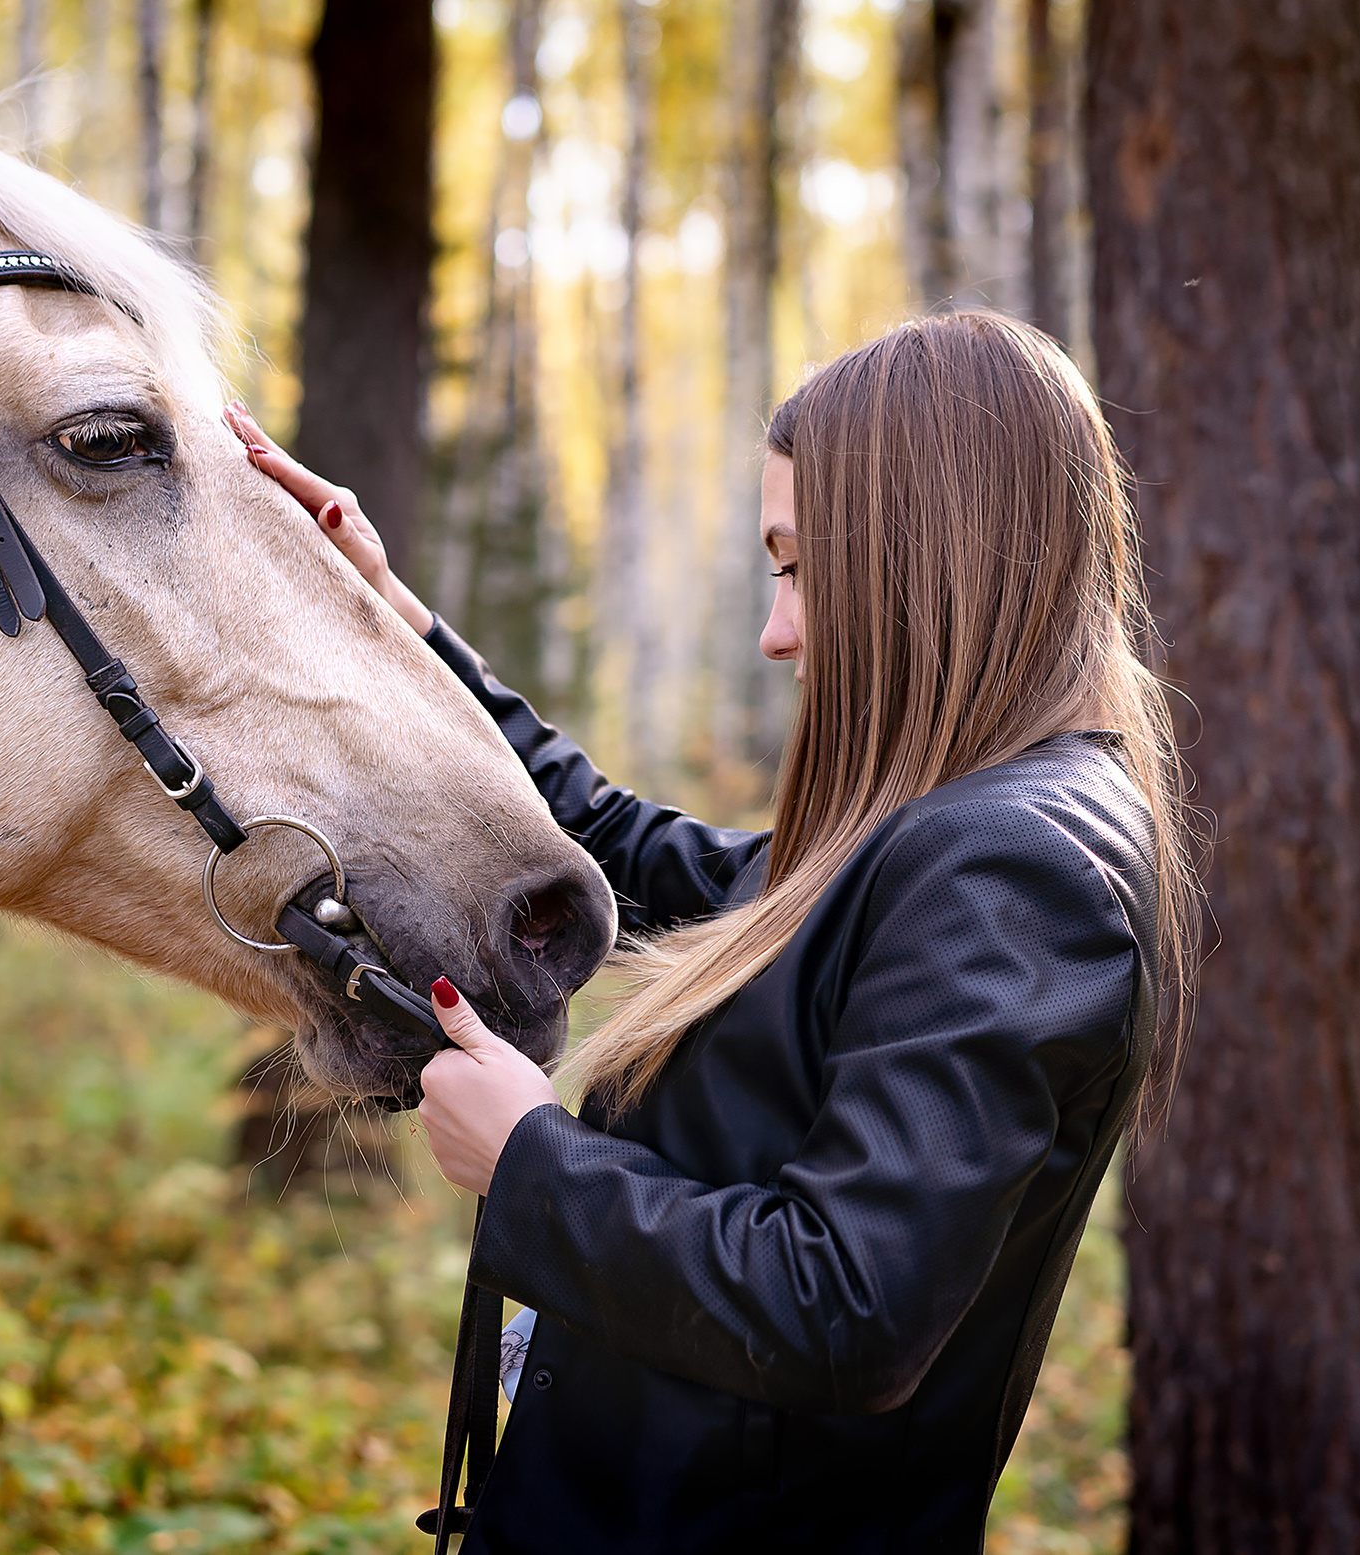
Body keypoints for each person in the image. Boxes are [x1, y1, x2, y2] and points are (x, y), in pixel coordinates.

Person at [228, 312, 1196, 1553]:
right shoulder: (949, 829)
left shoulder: (1014, 863)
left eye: (796, 568)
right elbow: (632, 851)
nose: (775, 628)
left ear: (924, 559)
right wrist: (401, 624)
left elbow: (846, 1303)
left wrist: (531, 1157)